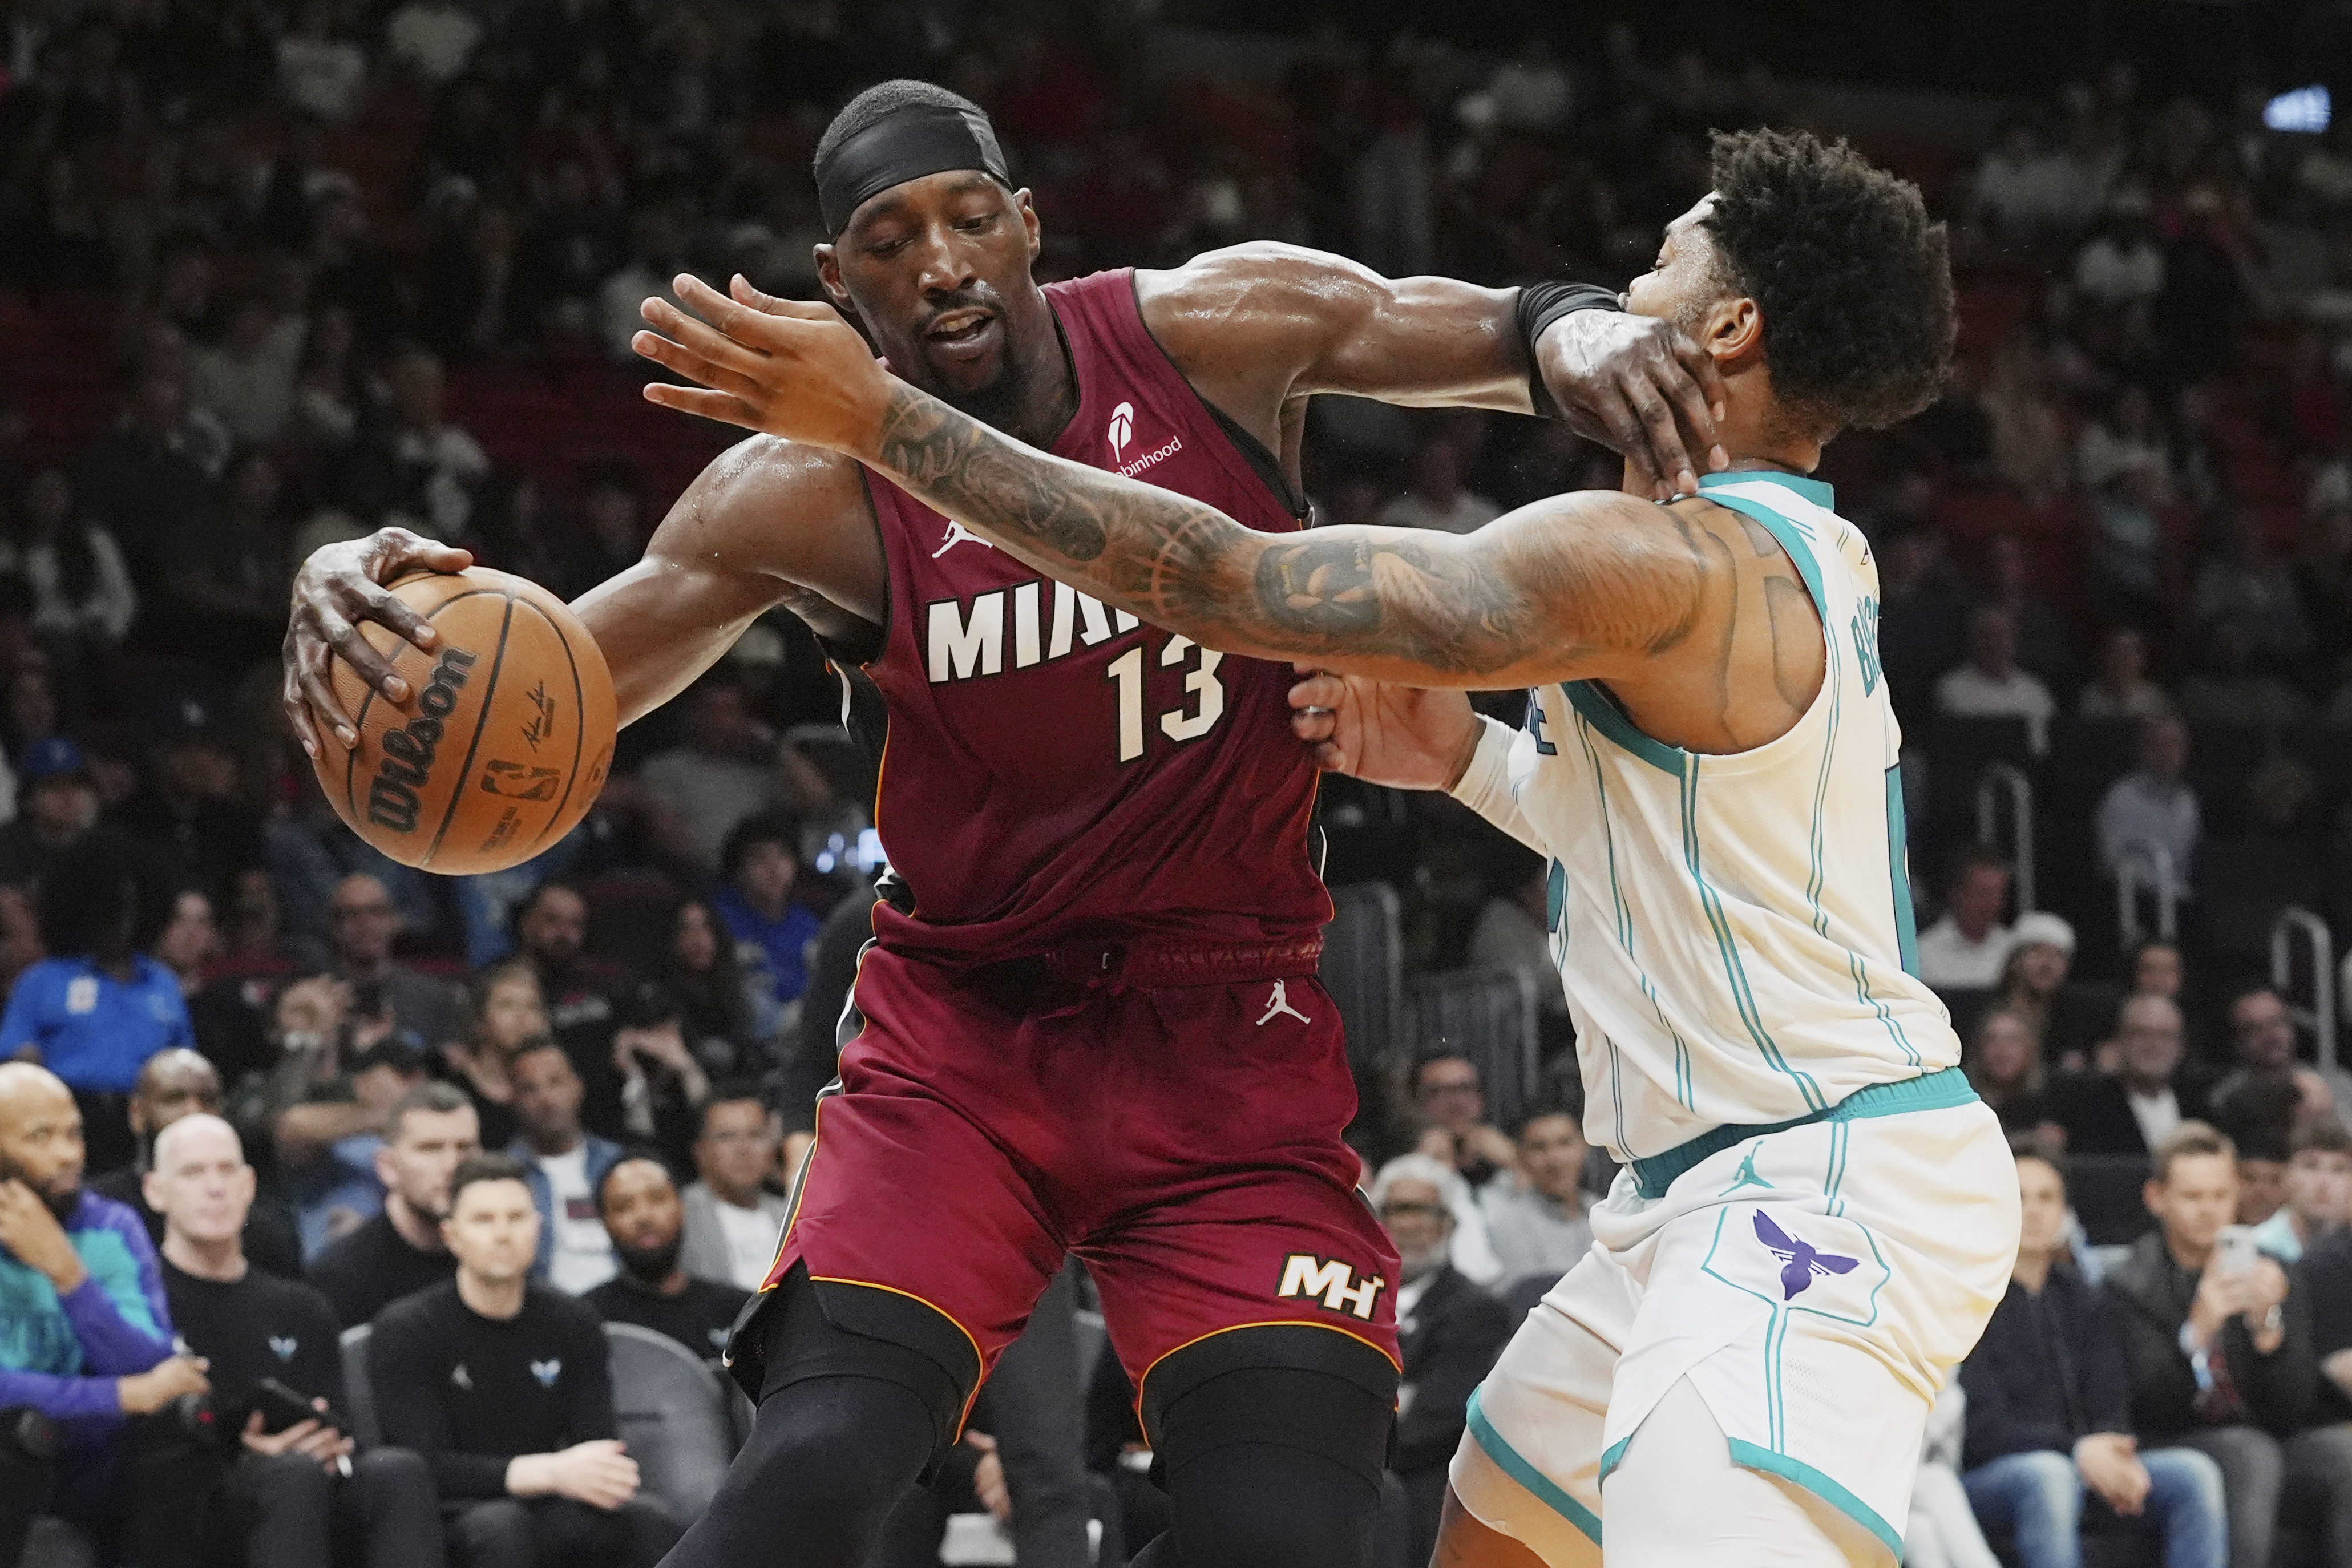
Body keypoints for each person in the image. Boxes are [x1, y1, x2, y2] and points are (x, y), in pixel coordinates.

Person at [288, 75, 1730, 1568]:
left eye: (969, 219)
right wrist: (370, 616)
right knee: (817, 1470)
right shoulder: (800, 492)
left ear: (1028, 224)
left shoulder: (1215, 333)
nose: (940, 263)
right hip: (965, 1046)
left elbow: (1504, 328)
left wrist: (1589, 334)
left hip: (1226, 1036)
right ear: (838, 282)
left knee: (1291, 1533)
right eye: (888, 242)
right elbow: (547, 698)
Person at [658, 122, 2016, 1565]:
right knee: (1487, 1538)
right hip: (1674, 1196)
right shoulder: (1779, 549)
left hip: (1819, 1175)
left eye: (1661, 263)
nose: (1625, 289)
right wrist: (1468, 761)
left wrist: (886, 424)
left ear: (1727, 329)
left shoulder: (1665, 565)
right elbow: (1684, 838)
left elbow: (1227, 578)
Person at [147, 1112, 446, 1568]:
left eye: (226, 1170)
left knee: (396, 1470)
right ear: (156, 1191)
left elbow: (340, 1426)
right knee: (289, 1475)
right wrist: (245, 1456)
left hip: (302, 1486)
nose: (215, 1187)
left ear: (249, 1185)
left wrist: (323, 1442)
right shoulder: (138, 1302)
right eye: (193, 1173)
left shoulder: (302, 1307)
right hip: (189, 1502)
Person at [370, 1155, 683, 1568]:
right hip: (456, 1513)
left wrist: (588, 1475)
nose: (503, 1235)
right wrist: (548, 1472)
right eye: (484, 1220)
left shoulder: (574, 1321)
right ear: (452, 1236)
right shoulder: (408, 1328)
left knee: (649, 1520)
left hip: (553, 1503)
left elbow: (599, 1446)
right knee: (502, 1527)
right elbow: (423, 1469)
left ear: (538, 1227)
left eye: (516, 1217)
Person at [1957, 1147, 2227, 1568]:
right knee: (2049, 1475)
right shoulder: (1967, 1301)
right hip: (1998, 1474)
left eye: (2047, 1198)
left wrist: (2108, 1452)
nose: (2034, 1211)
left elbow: (2113, 1399)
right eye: (2019, 1197)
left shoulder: (2083, 1296)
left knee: (2194, 1473)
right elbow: (1983, 1430)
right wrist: (2078, 1451)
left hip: (2082, 1464)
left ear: (2064, 1211)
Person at [0, 1062, 214, 1568]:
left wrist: (69, 1274)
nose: (68, 1154)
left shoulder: (112, 1227)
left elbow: (153, 1365)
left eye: (74, 1134)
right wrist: (122, 1396)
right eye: (41, 1137)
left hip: (95, 1469)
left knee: (176, 1432)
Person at [2102, 1123, 2321, 1568]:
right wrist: (2197, 1332)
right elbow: (2148, 1406)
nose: (2208, 1210)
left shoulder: (2272, 1271)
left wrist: (2267, 1329)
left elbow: (2295, 1411)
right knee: (2250, 1454)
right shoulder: (2128, 1285)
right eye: (2192, 1197)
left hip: (2260, 1436)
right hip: (2167, 1442)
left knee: (2341, 1454)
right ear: (2157, 1198)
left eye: (2220, 1195)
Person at [1, 837, 192, 1171]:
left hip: (143, 1123)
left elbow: (184, 1065)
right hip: (67, 1119)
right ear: (85, 907)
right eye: (110, 907)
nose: (121, 920)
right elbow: (16, 1059)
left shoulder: (163, 983)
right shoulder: (43, 980)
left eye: (131, 907)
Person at [1372, 1154, 1511, 1568]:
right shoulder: (1348, 1297)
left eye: (1425, 1211)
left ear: (1449, 1224)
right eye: (1398, 1210)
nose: (1411, 1225)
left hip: (1423, 1488)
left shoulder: (1475, 1310)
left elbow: (1434, 1422)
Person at [89, 1048, 302, 1277]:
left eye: (207, 1099)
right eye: (174, 1098)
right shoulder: (97, 1212)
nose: (193, 1110)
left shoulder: (263, 1235)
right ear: (137, 1114)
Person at [306, 1083, 479, 1325]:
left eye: (465, 1148)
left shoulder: (499, 1258)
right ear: (388, 1167)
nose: (451, 1166)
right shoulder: (341, 1276)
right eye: (430, 1148)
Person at [584, 1157, 748, 1359]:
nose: (644, 1216)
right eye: (623, 1206)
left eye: (657, 1199)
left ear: (682, 1207)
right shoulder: (588, 1321)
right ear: (605, 1222)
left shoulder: (740, 1312)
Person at [504, 1041, 623, 1294]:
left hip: (625, 1304)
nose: (545, 1099)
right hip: (545, 1309)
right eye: (530, 1089)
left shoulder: (620, 1164)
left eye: (555, 1082)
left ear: (577, 1087)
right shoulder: (503, 1176)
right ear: (514, 1100)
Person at [2052, 995, 2214, 1159]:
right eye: (2142, 1033)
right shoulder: (2085, 1108)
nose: (2154, 1045)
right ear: (2120, 1039)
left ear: (2182, 1045)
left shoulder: (2200, 1107)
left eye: (2166, 1035)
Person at [325, 874, 463, 1054]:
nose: (366, 924)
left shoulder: (433, 997)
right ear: (335, 927)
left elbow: (452, 1060)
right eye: (352, 914)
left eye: (376, 911)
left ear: (394, 921)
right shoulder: (313, 998)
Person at [710, 812, 823, 1026]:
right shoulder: (716, 923)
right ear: (738, 872)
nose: (774, 869)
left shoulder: (808, 925)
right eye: (760, 859)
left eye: (782, 856)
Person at [677, 1087, 788, 1292]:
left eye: (755, 1135)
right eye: (726, 1137)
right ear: (700, 1151)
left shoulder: (793, 1214)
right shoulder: (678, 1216)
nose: (743, 1149)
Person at [1477, 1109, 1595, 1297]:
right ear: (1521, 1156)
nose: (1555, 1160)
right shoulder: (1505, 1223)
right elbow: (1526, 1296)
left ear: (1584, 1146)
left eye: (1565, 1143)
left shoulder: (1607, 1210)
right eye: (1539, 1148)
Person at [442, 959, 551, 1151]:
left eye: (532, 1007)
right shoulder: (451, 1088)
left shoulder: (553, 1088)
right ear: (481, 1021)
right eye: (507, 1005)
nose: (522, 1016)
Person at [2213, 985, 2352, 1129]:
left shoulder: (2338, 1086)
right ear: (2237, 1041)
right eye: (2254, 1029)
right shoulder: (2225, 1102)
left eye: (2277, 1023)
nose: (2270, 1037)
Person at [2095, 714, 2200, 899]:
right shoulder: (2122, 797)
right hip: (2132, 898)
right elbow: (2115, 862)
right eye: (2159, 744)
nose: (2167, 753)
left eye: (2174, 745)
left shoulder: (2188, 801)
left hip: (2179, 898)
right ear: (2143, 750)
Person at [1935, 605, 2057, 755]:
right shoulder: (1953, 689)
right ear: (1973, 641)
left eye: (2003, 637)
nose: (1996, 645)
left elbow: (2046, 745)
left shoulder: (2035, 691)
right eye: (1988, 637)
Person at [2249, 1118, 2352, 1263]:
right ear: (2286, 1176)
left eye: (2339, 1169)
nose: (2323, 1182)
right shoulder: (2256, 1247)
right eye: (2311, 1166)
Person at [1917, 845, 2015, 992]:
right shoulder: (1923, 954)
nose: (1993, 904)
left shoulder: (2013, 949)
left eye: (1999, 895)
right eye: (1983, 894)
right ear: (1956, 893)